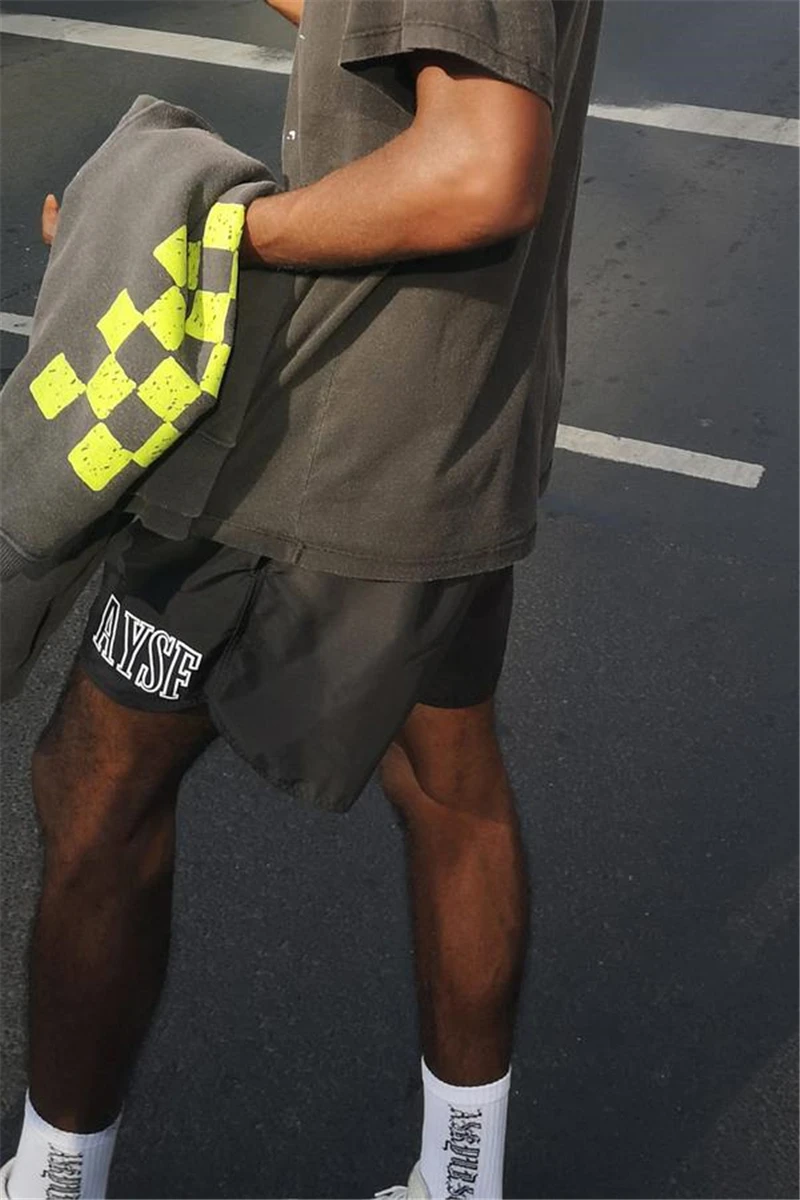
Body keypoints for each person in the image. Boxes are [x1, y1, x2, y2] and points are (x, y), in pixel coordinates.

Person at [1, 0, 603, 1196]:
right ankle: (460, 1179)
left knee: (96, 788)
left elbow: (478, 171)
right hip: (456, 434)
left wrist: (207, 237)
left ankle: (53, 1181)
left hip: (321, 436)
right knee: (452, 793)